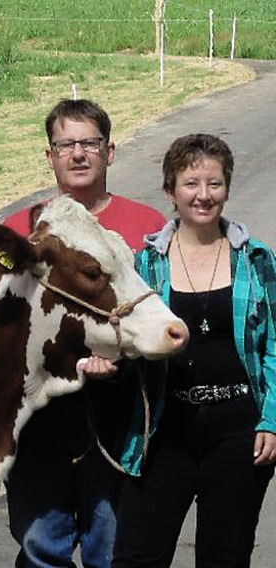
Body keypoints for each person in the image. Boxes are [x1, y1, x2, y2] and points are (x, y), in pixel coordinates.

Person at [3, 98, 166, 568]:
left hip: (120, 413)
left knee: (111, 548)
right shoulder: (20, 231)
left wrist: (119, 363)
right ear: (49, 156)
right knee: (40, 546)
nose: (78, 153)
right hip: (40, 416)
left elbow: (157, 315)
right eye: (65, 144)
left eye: (89, 143)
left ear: (109, 152)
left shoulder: (146, 229)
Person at [112, 133, 276, 567]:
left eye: (214, 184)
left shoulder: (257, 259)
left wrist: (272, 419)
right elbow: (121, 337)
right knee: (136, 556)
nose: (203, 196)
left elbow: (275, 345)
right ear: (170, 190)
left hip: (239, 433)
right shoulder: (144, 264)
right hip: (164, 430)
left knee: (226, 556)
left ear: (226, 187)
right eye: (191, 184)